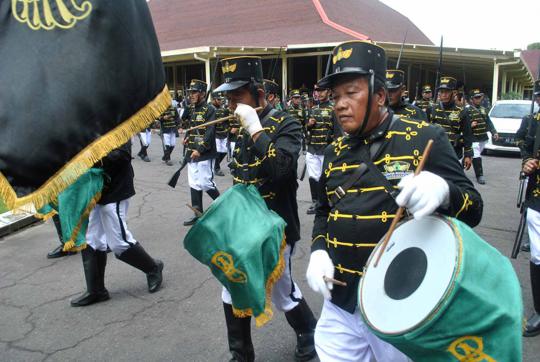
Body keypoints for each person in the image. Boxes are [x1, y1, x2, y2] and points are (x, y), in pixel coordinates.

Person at [305, 40, 483, 361]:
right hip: (340, 302)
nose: (340, 104)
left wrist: (444, 192)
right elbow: (324, 212)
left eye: (351, 93)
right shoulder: (334, 152)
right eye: (335, 96)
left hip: (399, 304)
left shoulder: (424, 137)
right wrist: (319, 250)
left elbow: (473, 207)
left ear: (380, 95)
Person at [214, 56, 318, 362]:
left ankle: (309, 333)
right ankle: (241, 354)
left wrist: (257, 131)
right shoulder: (238, 123)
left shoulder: (287, 123)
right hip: (242, 226)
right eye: (229, 100)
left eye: (238, 98)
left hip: (276, 224)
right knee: (232, 284)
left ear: (259, 94)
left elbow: (283, 173)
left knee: (282, 289)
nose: (233, 107)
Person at [71, 140, 164, 307]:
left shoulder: (118, 122)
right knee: (91, 239)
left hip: (116, 187)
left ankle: (153, 267)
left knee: (118, 241)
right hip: (93, 188)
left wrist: (90, 156)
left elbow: (121, 155)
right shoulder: (86, 124)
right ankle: (96, 290)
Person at [516, 79, 540, 337]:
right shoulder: (535, 120)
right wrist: (527, 161)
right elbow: (525, 143)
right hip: (538, 198)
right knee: (538, 255)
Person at [180, 79, 220, 226]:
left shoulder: (210, 110)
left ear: (203, 93)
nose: (191, 94)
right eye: (190, 92)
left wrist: (200, 149)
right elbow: (190, 126)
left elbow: (209, 133)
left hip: (204, 153)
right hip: (191, 151)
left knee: (205, 182)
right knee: (194, 183)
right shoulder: (192, 109)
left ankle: (224, 207)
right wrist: (186, 138)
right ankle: (198, 213)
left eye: (194, 92)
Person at [305, 83, 340, 215]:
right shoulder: (313, 109)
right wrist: (309, 125)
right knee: (313, 177)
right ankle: (316, 202)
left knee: (326, 177)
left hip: (326, 149)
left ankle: (328, 201)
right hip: (312, 148)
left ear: (328, 92)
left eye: (321, 91)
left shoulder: (333, 109)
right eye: (316, 91)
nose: (318, 94)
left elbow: (338, 131)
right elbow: (306, 129)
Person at [426, 76, 473, 169]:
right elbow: (425, 131)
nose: (443, 95)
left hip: (454, 153)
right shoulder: (431, 109)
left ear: (454, 92)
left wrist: (468, 155)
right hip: (435, 152)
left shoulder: (462, 111)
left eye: (447, 92)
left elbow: (467, 134)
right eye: (441, 92)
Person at [464, 88, 499, 184]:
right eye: (476, 97)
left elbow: (488, 122)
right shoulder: (467, 110)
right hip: (473, 137)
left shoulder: (484, 110)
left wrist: (494, 132)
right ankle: (479, 175)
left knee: (475, 155)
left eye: (480, 97)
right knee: (476, 155)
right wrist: (470, 125)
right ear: (472, 99)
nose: (479, 99)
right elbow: (462, 123)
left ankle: (464, 162)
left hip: (483, 137)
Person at [212, 92, 230, 176]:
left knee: (224, 151)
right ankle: (216, 168)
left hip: (223, 133)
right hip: (215, 134)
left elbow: (227, 122)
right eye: (218, 99)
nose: (220, 101)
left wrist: (226, 128)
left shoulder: (224, 110)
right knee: (218, 151)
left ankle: (215, 164)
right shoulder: (210, 109)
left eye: (220, 99)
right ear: (213, 100)